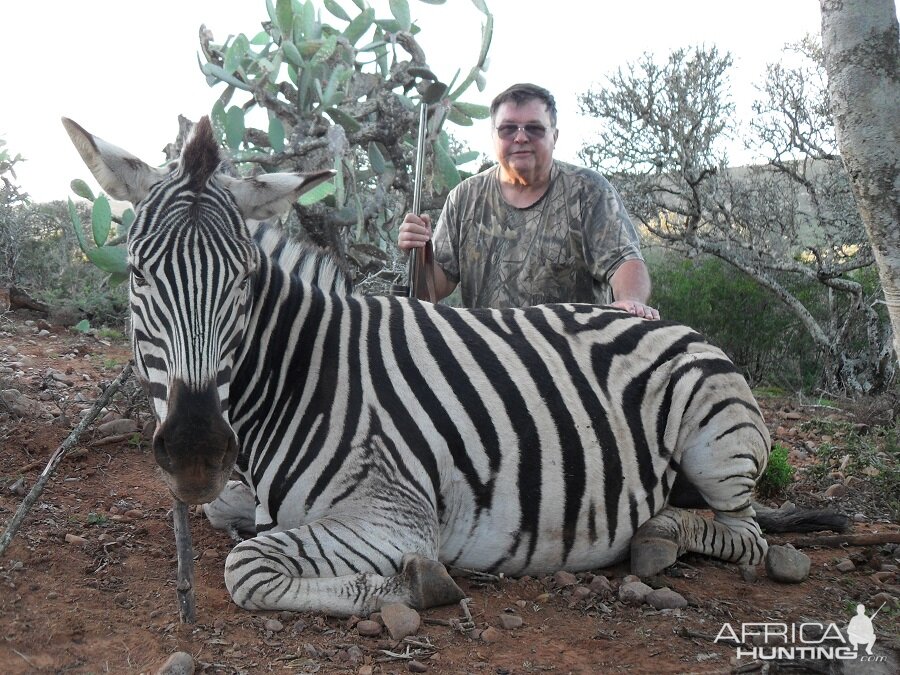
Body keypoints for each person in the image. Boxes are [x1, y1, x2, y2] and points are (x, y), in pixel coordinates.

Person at [398, 82, 659, 319]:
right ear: (493, 136)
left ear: (554, 136)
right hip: (486, 356)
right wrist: (421, 254)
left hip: (573, 353)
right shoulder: (464, 197)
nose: (520, 137)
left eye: (534, 128)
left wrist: (631, 302)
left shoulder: (589, 190)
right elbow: (433, 289)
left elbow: (625, 263)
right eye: (507, 129)